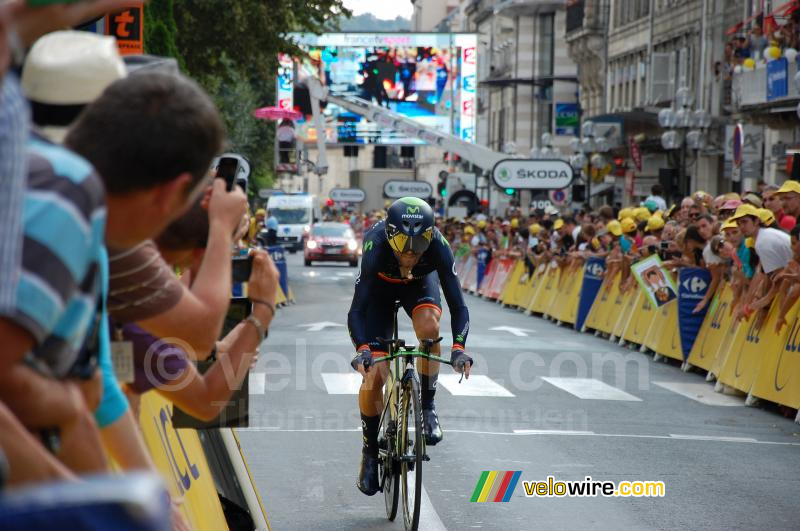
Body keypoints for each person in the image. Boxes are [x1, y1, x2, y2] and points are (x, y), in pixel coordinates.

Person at [347, 197, 473, 496]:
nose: (410, 256)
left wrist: (458, 348)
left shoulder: (439, 246)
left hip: (419, 286)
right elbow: (357, 310)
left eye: (418, 249)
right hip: (379, 293)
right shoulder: (375, 244)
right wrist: (362, 349)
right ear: (391, 237)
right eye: (403, 248)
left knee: (430, 328)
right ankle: (369, 451)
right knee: (375, 375)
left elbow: (458, 305)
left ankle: (428, 407)